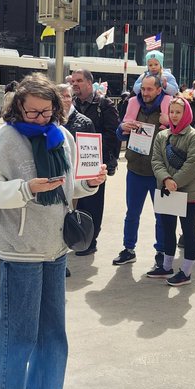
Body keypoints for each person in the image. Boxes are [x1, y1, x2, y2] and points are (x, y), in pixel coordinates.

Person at [0, 74, 106, 389]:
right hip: (19, 250)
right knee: (16, 338)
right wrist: (24, 189)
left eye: (45, 112)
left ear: (56, 109)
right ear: (17, 107)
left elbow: (68, 187)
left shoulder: (62, 137)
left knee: (52, 333)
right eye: (30, 111)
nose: (38, 118)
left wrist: (90, 183)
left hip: (55, 247)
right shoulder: (3, 138)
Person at [114, 74, 169, 269]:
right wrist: (122, 128)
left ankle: (161, 252)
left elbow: (183, 131)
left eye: (149, 90)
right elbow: (119, 132)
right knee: (132, 214)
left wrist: (170, 123)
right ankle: (128, 249)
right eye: (143, 89)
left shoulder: (168, 108)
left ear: (159, 90)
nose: (145, 93)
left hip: (159, 174)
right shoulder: (133, 105)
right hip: (135, 170)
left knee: (162, 216)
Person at [150, 95, 195, 286]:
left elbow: (193, 163)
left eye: (178, 112)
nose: (174, 115)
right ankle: (166, 266)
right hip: (166, 190)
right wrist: (166, 179)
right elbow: (156, 160)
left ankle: (186, 271)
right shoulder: (162, 136)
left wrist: (175, 181)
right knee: (167, 229)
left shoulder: (194, 136)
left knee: (188, 231)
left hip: (189, 193)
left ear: (186, 113)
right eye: (171, 112)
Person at [70, 68, 121, 256]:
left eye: (79, 81)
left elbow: (113, 133)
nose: (75, 84)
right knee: (75, 202)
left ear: (90, 84)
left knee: (92, 203)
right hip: (72, 163)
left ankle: (90, 240)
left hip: (94, 162)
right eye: (73, 81)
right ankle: (77, 236)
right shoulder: (71, 104)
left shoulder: (104, 105)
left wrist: (94, 151)